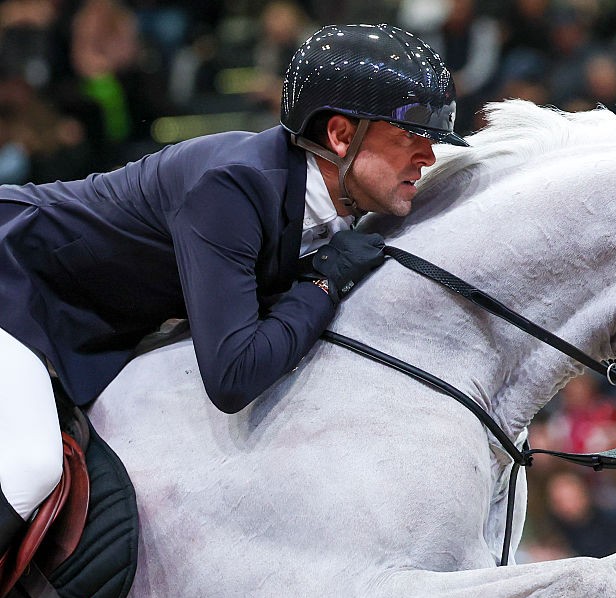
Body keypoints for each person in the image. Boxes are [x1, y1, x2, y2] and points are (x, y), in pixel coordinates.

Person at [0, 23, 469, 559]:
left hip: (74, 320)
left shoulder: (332, 201)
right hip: (13, 277)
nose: (428, 158)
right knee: (30, 466)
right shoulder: (233, 187)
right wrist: (324, 282)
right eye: (411, 138)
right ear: (340, 135)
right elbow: (233, 376)